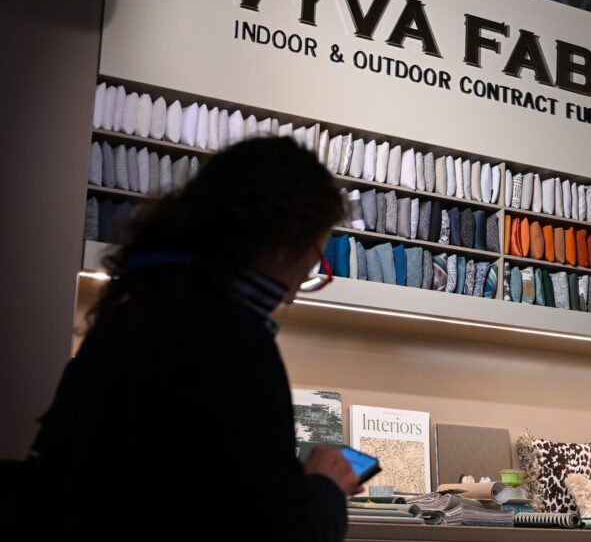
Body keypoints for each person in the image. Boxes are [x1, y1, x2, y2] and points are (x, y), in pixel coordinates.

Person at [27, 136, 360, 541]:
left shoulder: (126, 318)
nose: (294, 292)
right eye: (312, 259)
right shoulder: (233, 342)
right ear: (282, 244)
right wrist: (325, 488)